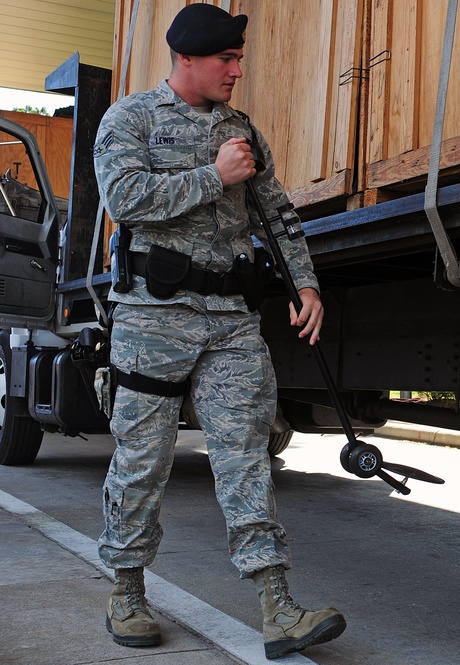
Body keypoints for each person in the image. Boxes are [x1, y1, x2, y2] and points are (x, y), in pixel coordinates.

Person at [92, 4, 344, 660]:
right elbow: (125, 199)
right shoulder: (130, 118)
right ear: (187, 59)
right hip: (154, 319)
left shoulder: (242, 129)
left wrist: (304, 282)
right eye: (225, 60)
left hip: (230, 321)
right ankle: (126, 587)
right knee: (142, 460)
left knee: (244, 455)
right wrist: (214, 176)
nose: (237, 70)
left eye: (238, 58)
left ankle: (276, 603)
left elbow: (276, 213)